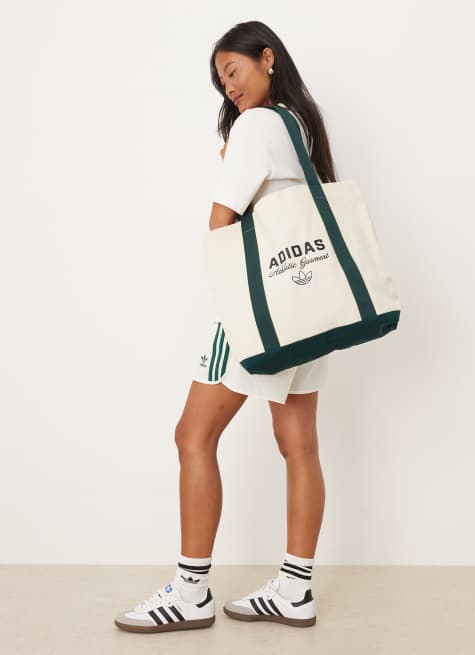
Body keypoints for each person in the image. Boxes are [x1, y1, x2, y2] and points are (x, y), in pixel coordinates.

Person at [114, 19, 339, 633]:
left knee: (193, 435)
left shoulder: (257, 125)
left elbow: (222, 222)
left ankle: (190, 592)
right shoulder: (299, 126)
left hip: (257, 310)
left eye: (233, 71)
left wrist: (231, 164)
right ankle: (295, 589)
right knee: (300, 445)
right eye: (221, 81)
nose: (229, 87)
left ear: (267, 58)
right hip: (308, 306)